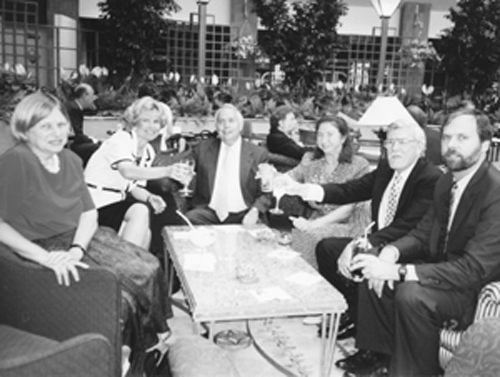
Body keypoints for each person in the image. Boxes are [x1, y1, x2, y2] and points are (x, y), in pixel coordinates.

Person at [0, 91, 174, 374]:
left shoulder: (69, 160)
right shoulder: (16, 162)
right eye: (45, 126)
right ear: (25, 129)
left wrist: (77, 249)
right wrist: (45, 258)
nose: (56, 133)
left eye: (60, 124)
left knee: (149, 266)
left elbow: (88, 212)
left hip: (78, 237)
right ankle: (125, 352)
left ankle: (138, 348)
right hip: (39, 246)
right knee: (118, 294)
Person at [341, 108, 500, 376]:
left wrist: (401, 271)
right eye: (448, 137)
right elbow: (423, 232)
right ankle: (381, 356)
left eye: (463, 138)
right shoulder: (447, 180)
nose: (452, 146)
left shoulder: (494, 192)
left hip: (472, 290)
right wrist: (390, 253)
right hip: (440, 271)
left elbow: (473, 269)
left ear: (484, 146)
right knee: (373, 260)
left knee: (411, 294)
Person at [277, 118, 442, 338]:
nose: (394, 148)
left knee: (361, 259)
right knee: (327, 249)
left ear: (418, 147)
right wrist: (304, 189)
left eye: (401, 142)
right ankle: (354, 312)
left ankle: (372, 344)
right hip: (379, 241)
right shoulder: (386, 169)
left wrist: (360, 243)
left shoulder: (429, 178)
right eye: (390, 143)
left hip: (406, 249)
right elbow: (350, 190)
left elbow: (409, 225)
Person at [84, 96, 189, 252]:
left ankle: (136, 271)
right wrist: (168, 171)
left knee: (146, 234)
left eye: (156, 122)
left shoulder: (148, 152)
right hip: (93, 203)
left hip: (114, 202)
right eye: (146, 120)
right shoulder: (121, 140)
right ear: (135, 121)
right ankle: (127, 267)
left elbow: (133, 187)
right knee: (139, 211)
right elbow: (127, 171)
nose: (152, 126)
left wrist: (149, 197)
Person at [287, 116, 371, 269]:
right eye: (320, 135)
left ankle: (315, 284)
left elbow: (349, 208)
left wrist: (314, 225)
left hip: (349, 224)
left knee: (308, 235)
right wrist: (272, 177)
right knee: (298, 234)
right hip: (317, 219)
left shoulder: (359, 165)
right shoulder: (311, 161)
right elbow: (290, 177)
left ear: (343, 137)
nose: (324, 140)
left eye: (330, 134)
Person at [185, 103, 271, 225]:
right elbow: (184, 166)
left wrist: (255, 210)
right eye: (221, 122)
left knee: (258, 234)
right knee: (186, 222)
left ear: (240, 125)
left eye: (231, 121)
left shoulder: (258, 154)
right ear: (217, 127)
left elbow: (267, 192)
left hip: (244, 213)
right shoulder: (202, 149)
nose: (226, 125)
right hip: (209, 213)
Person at [65, 83, 100, 165]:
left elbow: (94, 110)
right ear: (85, 95)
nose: (93, 99)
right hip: (69, 144)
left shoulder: (72, 105)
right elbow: (77, 133)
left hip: (70, 141)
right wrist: (93, 141)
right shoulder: (73, 108)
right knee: (95, 148)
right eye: (92, 95)